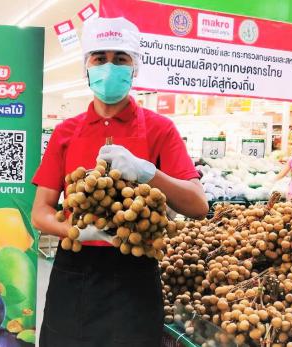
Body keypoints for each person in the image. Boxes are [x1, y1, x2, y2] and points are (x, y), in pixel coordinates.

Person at [31, 17, 208, 347]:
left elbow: (198, 206)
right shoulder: (65, 132)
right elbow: (39, 212)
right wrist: (75, 230)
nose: (109, 66)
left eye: (120, 58)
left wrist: (147, 172)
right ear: (86, 65)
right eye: (99, 57)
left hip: (135, 273)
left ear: (135, 67)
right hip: (75, 269)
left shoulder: (160, 129)